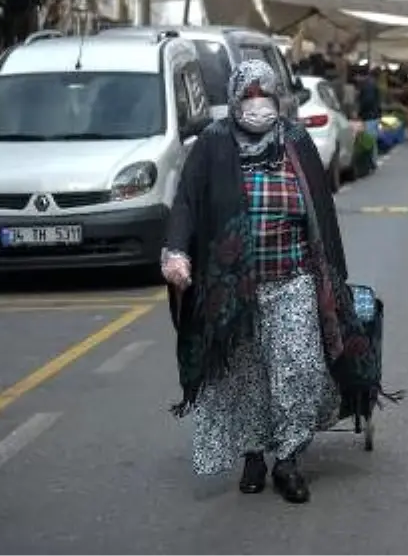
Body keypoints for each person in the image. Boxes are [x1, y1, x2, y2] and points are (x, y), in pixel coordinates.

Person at [161, 59, 359, 505]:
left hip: (294, 278)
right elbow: (187, 202)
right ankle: (254, 454)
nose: (256, 104)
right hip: (235, 287)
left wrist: (330, 274)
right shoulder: (212, 143)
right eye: (247, 95)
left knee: (299, 368)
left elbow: (321, 209)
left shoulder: (295, 139)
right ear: (233, 99)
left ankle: (288, 459)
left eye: (263, 94)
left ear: (277, 98)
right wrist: (176, 253)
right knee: (247, 376)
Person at [357, 69, 383, 165]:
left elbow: (368, 101)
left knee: (369, 138)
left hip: (369, 115)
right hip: (374, 114)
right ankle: (373, 160)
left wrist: (360, 112)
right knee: (372, 138)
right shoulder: (372, 84)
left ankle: (371, 161)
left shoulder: (368, 85)